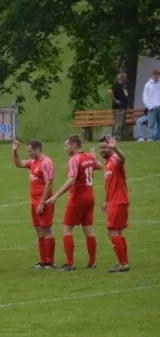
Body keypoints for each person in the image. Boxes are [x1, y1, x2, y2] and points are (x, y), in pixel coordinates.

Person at [45, 135, 101, 271]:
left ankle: (69, 263)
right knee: (88, 229)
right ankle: (92, 262)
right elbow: (99, 166)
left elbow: (71, 180)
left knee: (67, 228)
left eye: (66, 146)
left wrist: (56, 196)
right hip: (90, 197)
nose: (65, 148)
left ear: (74, 145)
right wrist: (93, 157)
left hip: (78, 198)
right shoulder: (88, 156)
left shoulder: (74, 159)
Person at [11, 140, 56, 269]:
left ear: (37, 149)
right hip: (34, 201)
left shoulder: (46, 163)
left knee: (46, 230)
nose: (28, 153)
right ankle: (43, 261)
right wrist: (14, 151)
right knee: (39, 231)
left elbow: (49, 183)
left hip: (43, 201)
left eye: (30, 151)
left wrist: (42, 203)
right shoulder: (33, 162)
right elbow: (18, 164)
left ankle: (50, 261)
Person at [98, 136, 130, 272]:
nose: (102, 150)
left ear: (110, 147)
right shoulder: (107, 163)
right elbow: (109, 184)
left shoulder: (115, 159)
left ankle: (123, 264)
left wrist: (115, 147)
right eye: (101, 148)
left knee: (112, 231)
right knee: (119, 232)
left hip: (118, 201)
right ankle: (124, 262)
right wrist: (106, 200)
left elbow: (123, 159)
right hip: (115, 201)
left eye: (105, 147)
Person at [108, 72, 129, 139]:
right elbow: (110, 91)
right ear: (122, 78)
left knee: (121, 123)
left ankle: (119, 136)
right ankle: (116, 137)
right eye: (125, 77)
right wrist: (115, 100)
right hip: (118, 108)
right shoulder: (116, 85)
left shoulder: (122, 86)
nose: (126, 78)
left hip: (123, 108)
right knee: (119, 123)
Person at [143, 69, 160, 141]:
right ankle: (151, 137)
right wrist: (149, 106)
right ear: (152, 75)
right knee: (151, 124)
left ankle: (158, 137)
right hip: (152, 107)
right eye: (155, 75)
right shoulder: (148, 85)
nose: (156, 76)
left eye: (157, 75)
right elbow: (145, 96)